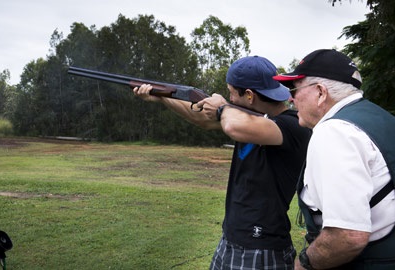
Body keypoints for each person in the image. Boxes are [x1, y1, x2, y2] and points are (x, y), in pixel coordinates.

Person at [133, 56, 311, 270]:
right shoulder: (250, 117)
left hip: (260, 246)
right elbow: (203, 120)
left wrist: (221, 108)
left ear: (249, 95)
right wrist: (162, 97)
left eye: (231, 92)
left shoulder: (291, 126)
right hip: (232, 239)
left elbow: (233, 126)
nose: (229, 98)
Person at [273, 49, 395, 269]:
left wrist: (304, 263)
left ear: (320, 92)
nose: (291, 98)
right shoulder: (390, 122)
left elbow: (347, 237)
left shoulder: (334, 131)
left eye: (295, 89)